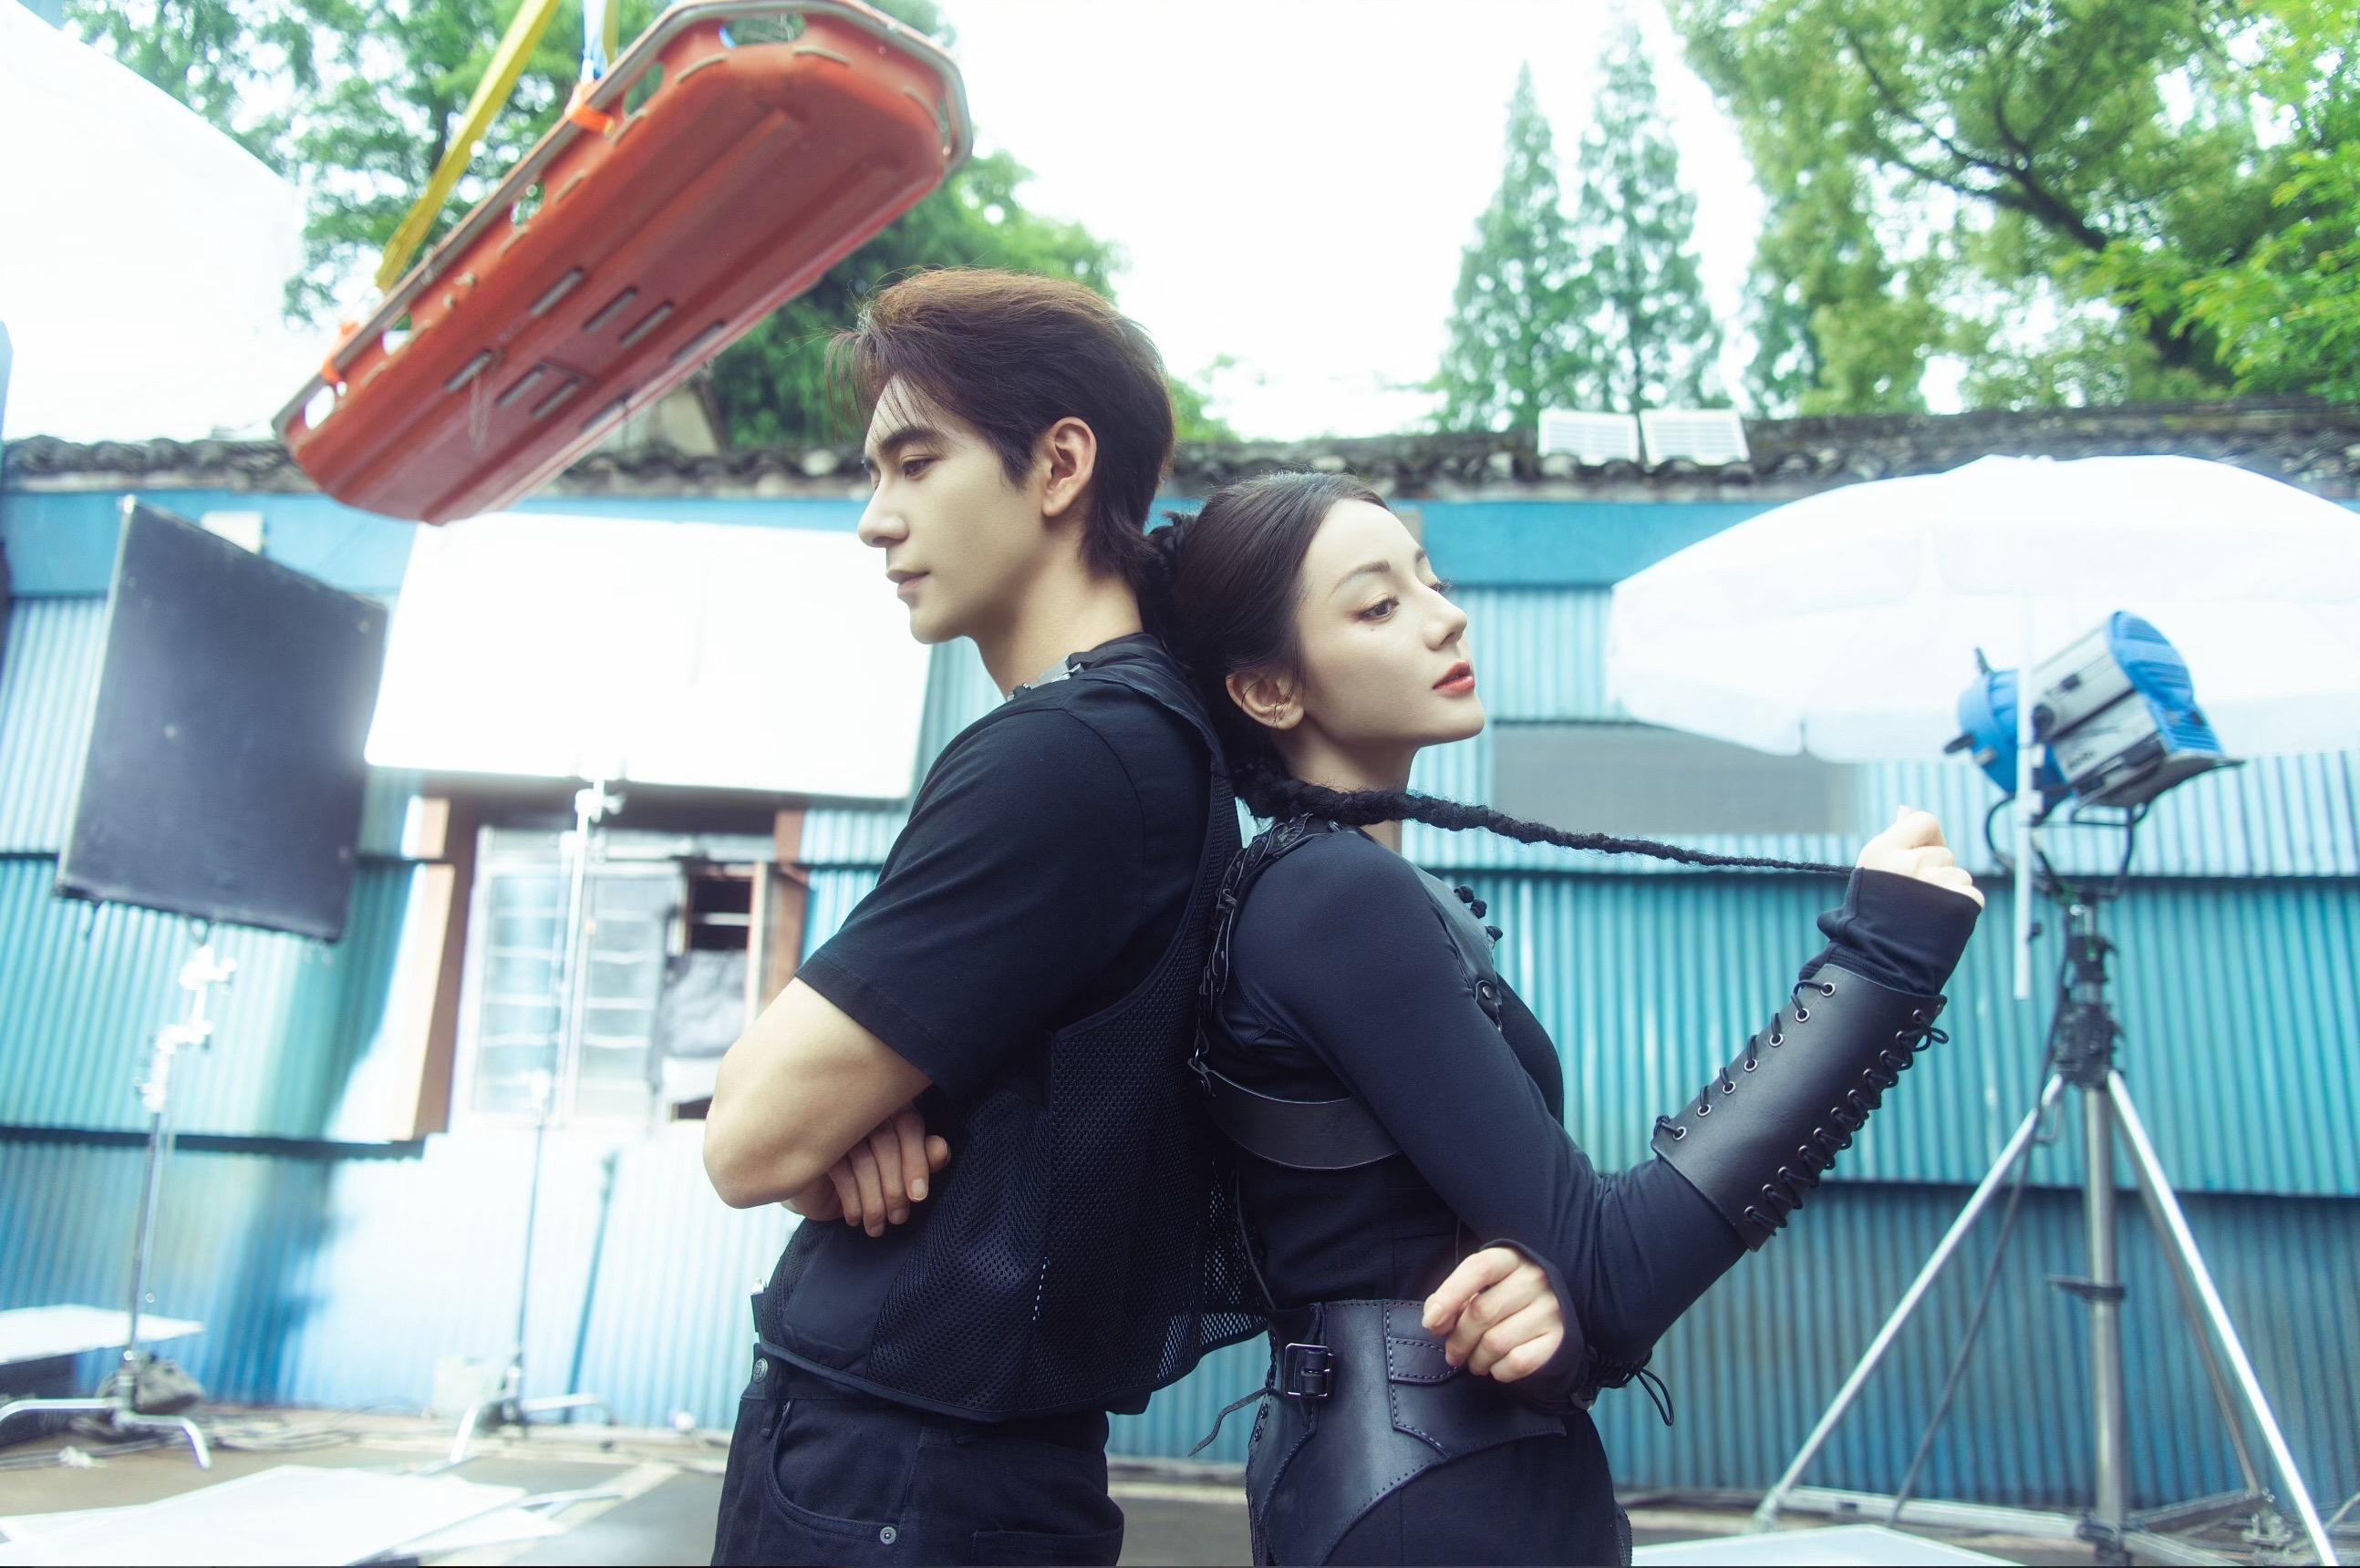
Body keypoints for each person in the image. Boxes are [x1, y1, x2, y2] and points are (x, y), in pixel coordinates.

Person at [698, 275, 1563, 1566]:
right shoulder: (1148, 744)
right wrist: (852, 1121)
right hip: (955, 1472)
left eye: (915, 464)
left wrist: (823, 1126)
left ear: (1058, 465)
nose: (876, 519)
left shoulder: (1071, 755)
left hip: (894, 1474)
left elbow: (743, 1138)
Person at [1150, 470, 1985, 1567]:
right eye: (1378, 604)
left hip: (1433, 1479)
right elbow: (1611, 1267)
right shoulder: (1327, 895)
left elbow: (1551, 1271)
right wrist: (1878, 964)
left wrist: (1552, 1318)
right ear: (1267, 690)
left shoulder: (1350, 890)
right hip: (1428, 1508)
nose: (1446, 616)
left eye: (1430, 579)